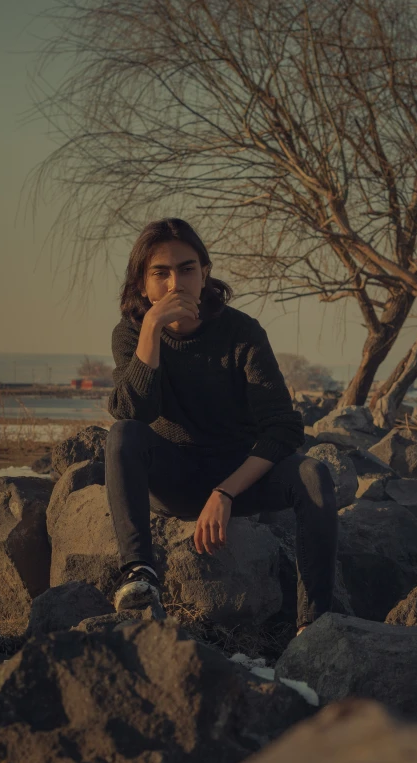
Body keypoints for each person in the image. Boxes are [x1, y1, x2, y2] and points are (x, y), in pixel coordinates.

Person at [105, 218, 339, 636]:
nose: (176, 282)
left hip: (239, 480)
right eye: (161, 272)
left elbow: (283, 427)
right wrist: (152, 331)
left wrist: (227, 490)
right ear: (142, 285)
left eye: (188, 268)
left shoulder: (241, 332)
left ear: (205, 273)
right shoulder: (132, 334)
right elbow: (130, 411)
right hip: (173, 478)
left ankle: (315, 624)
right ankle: (140, 576)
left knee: (314, 474)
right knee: (123, 435)